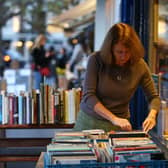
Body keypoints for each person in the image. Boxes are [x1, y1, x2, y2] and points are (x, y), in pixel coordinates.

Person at [74, 23, 161, 133]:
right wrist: (113, 118)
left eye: (128, 52)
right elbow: (89, 96)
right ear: (110, 49)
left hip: (119, 126)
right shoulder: (96, 60)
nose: (124, 57)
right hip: (90, 123)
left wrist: (152, 116)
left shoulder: (139, 65)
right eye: (119, 52)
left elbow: (154, 97)